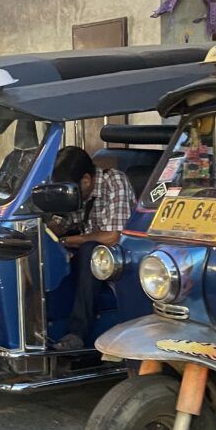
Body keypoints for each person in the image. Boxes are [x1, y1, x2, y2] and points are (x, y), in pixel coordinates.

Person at [50, 145, 136, 351]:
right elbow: (65, 221)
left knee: (91, 250)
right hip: (87, 257)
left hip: (118, 259)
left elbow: (113, 236)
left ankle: (77, 333)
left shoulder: (115, 182)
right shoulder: (78, 193)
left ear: (86, 180)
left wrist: (69, 241)